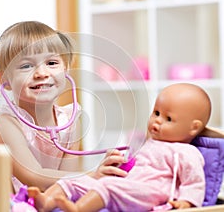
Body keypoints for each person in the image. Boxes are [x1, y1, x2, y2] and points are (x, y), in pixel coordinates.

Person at [0, 21, 127, 192]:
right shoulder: (5, 123)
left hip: (43, 199)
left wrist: (102, 173)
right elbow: (32, 177)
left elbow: (66, 185)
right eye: (26, 66)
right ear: (5, 80)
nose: (42, 73)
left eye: (52, 63)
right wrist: (91, 175)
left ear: (65, 70)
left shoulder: (70, 121)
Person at [28, 83, 211, 212]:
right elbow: (132, 166)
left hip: (150, 192)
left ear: (193, 127)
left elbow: (194, 181)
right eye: (156, 113)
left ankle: (78, 209)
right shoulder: (147, 143)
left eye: (168, 119)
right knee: (75, 180)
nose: (157, 121)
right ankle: (47, 203)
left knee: (108, 186)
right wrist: (118, 165)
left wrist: (187, 202)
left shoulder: (186, 152)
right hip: (127, 185)